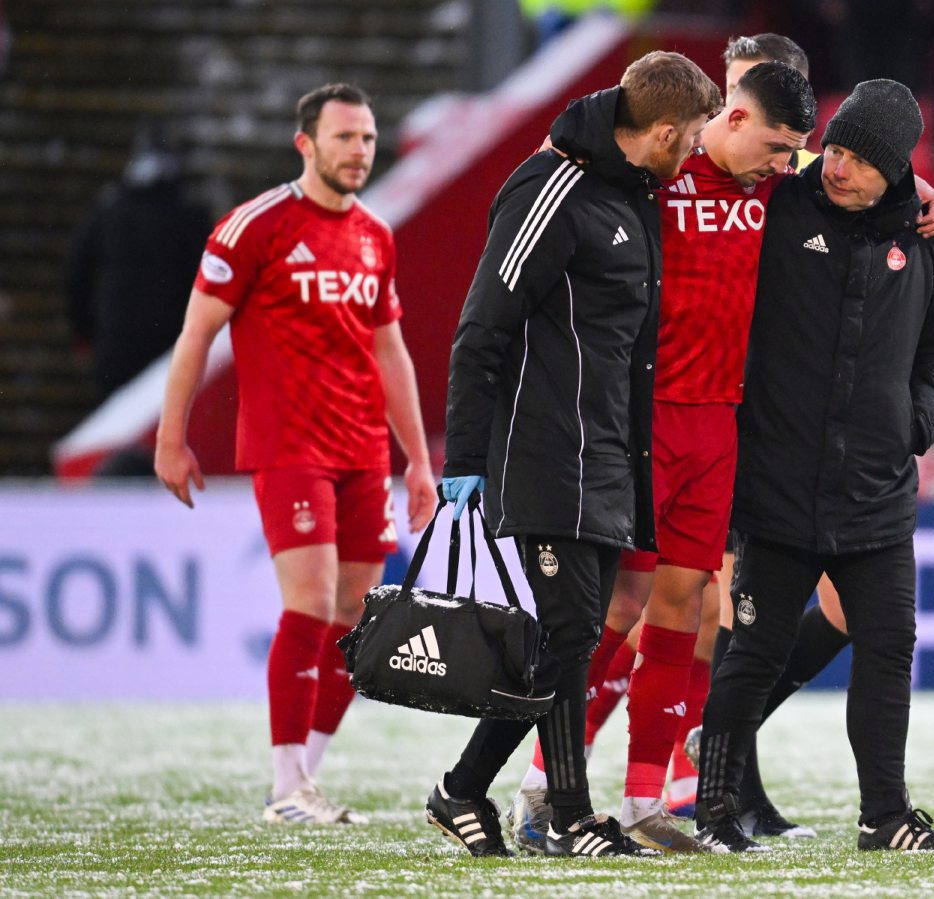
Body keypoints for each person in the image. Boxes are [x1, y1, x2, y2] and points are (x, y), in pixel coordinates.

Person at [430, 50, 721, 859]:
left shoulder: (630, 191)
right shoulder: (550, 188)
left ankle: (462, 789)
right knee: (568, 632)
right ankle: (565, 811)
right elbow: (481, 327)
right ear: (663, 130)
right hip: (542, 448)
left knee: (575, 635)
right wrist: (465, 458)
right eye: (692, 136)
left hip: (601, 455)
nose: (696, 149)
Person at [694, 79, 934, 853]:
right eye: (834, 149)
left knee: (889, 646)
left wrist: (916, 421)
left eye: (856, 158)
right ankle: (714, 813)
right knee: (751, 653)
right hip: (778, 485)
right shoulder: (779, 207)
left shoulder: (925, 242)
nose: (837, 167)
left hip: (875, 492)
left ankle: (886, 816)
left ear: (896, 171)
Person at [154, 83, 436, 824]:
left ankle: (303, 780)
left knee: (356, 617)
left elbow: (390, 351)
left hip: (362, 449)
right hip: (290, 446)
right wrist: (170, 435)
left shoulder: (376, 233)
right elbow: (196, 335)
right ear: (304, 143)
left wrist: (416, 459)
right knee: (309, 605)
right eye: (344, 138)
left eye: (369, 139)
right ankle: (286, 784)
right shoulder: (255, 227)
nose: (359, 152)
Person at [65, 129, 213, 402]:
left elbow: (77, 275)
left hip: (115, 344)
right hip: (168, 346)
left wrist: (83, 332)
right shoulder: (189, 215)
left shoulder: (110, 211)